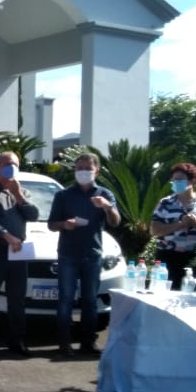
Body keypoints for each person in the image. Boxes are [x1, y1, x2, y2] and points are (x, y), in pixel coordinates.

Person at [47, 153, 121, 357]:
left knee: (89, 300)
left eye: (87, 168)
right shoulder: (63, 195)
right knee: (66, 299)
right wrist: (65, 224)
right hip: (68, 254)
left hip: (92, 254)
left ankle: (88, 342)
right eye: (79, 168)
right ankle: (64, 342)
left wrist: (107, 207)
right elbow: (51, 224)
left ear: (96, 171)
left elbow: (116, 222)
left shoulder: (105, 194)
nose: (82, 172)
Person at [0, 151, 39, 355]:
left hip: (19, 254)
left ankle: (16, 340)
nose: (11, 167)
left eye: (15, 164)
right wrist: (8, 237)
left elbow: (33, 215)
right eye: (7, 164)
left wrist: (19, 195)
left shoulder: (22, 192)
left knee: (17, 299)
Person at [150, 162, 196, 289]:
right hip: (169, 257)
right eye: (174, 180)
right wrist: (179, 224)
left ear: (192, 180)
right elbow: (154, 230)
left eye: (180, 180)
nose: (176, 182)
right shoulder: (165, 203)